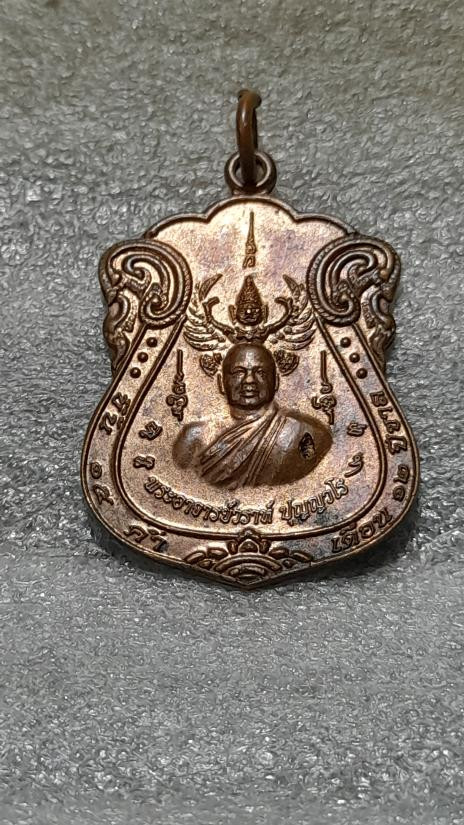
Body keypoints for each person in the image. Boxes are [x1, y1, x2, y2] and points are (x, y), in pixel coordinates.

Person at [173, 343, 332, 489]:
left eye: (260, 372)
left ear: (276, 382)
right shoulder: (194, 438)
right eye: (238, 372)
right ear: (221, 382)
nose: (249, 380)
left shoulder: (304, 432)